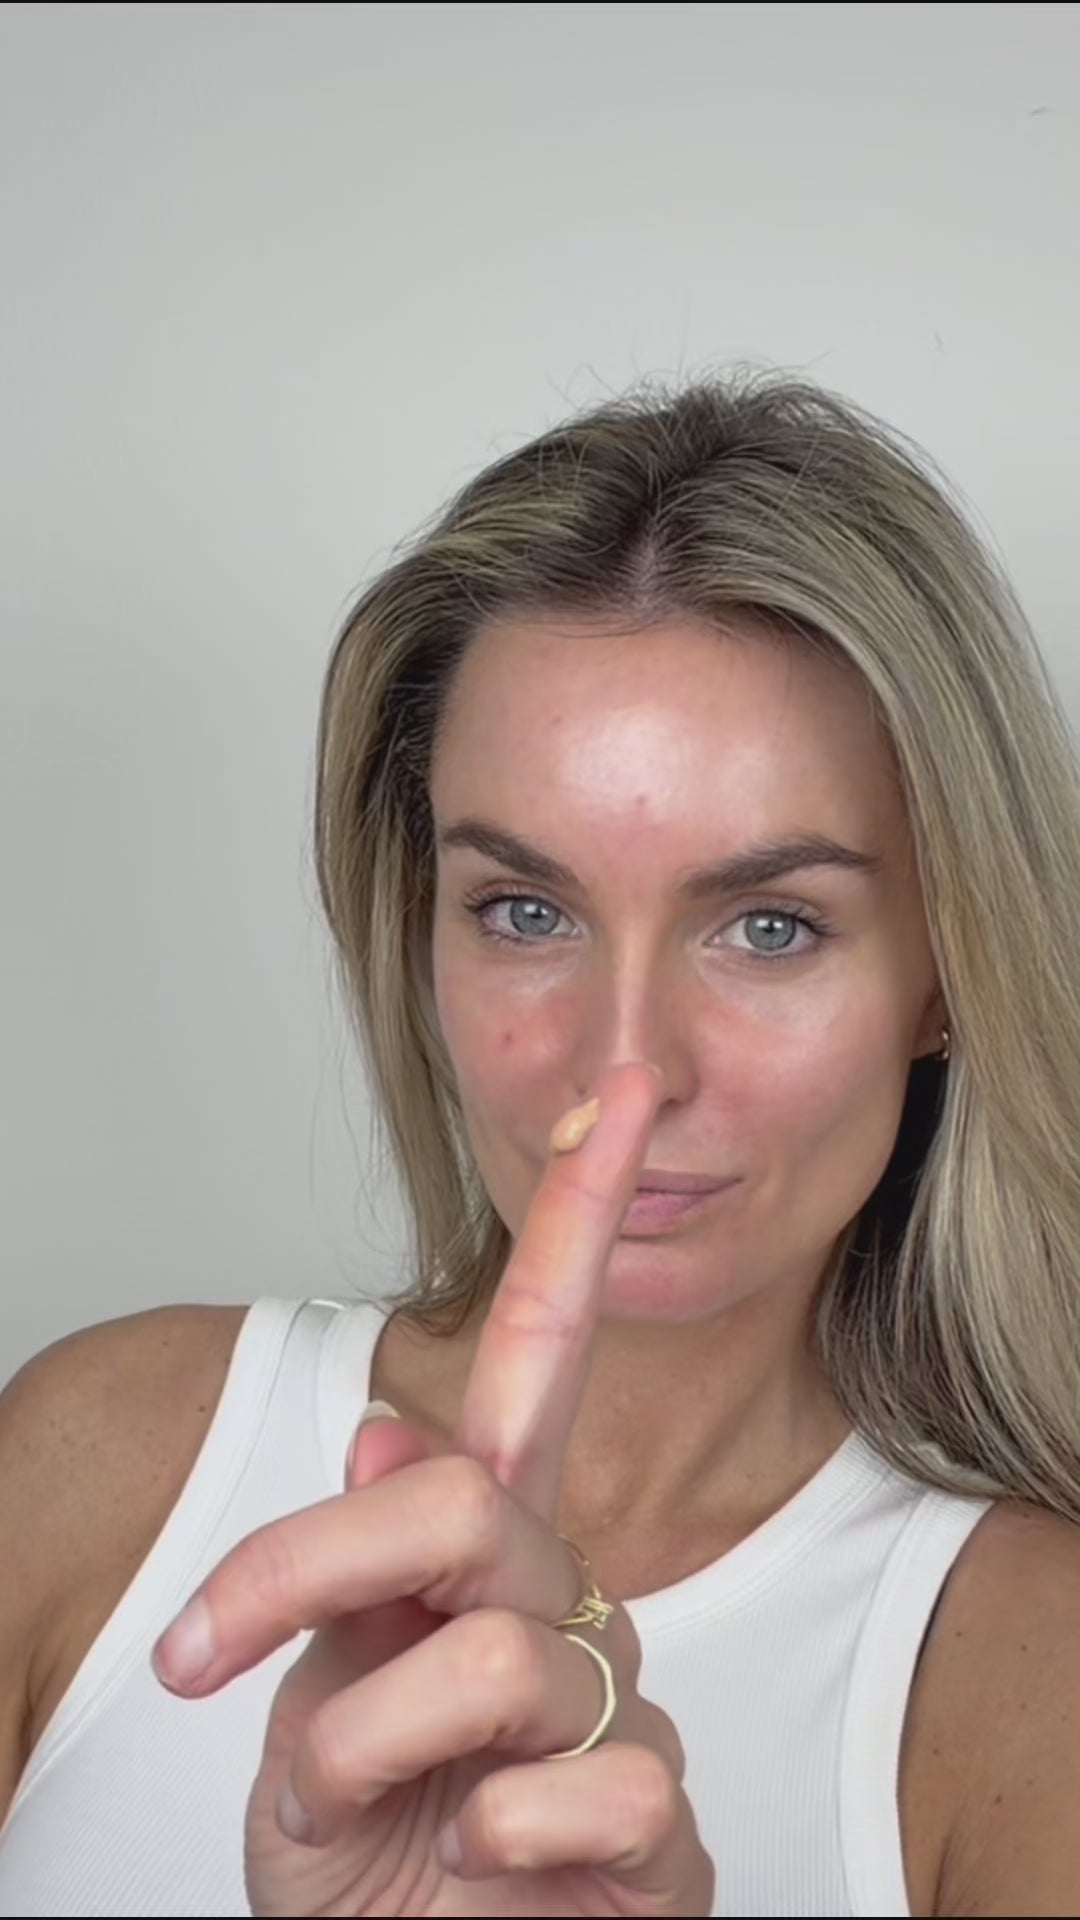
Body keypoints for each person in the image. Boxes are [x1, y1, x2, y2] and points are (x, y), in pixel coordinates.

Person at [2, 370, 1080, 1919]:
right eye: (524, 910)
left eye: (771, 926)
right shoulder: (97, 1456)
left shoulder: (1031, 1676)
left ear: (947, 975)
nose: (624, 1068)